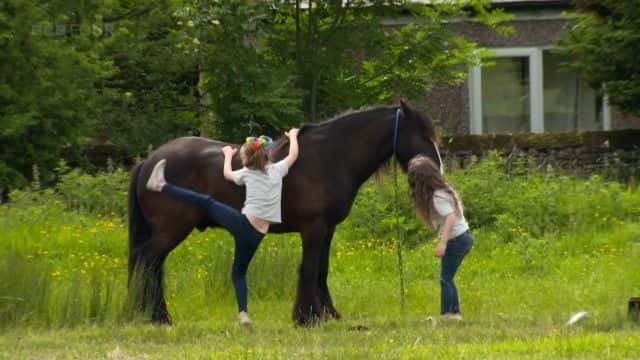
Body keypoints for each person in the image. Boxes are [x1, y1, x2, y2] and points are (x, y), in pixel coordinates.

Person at [145, 129, 300, 327]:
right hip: (258, 234)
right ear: (267, 155)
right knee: (239, 273)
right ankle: (243, 313)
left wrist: (227, 156)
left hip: (243, 226)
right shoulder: (278, 170)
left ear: (248, 159)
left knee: (207, 202)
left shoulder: (247, 173)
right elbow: (293, 154)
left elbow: (227, 174)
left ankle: (161, 185)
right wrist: (294, 137)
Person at [407, 155, 473, 321]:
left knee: (446, 278)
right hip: (464, 236)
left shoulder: (437, 196)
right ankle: (454, 313)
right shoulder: (445, 189)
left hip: (456, 239)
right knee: (448, 277)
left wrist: (442, 243)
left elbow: (450, 218)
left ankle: (449, 314)